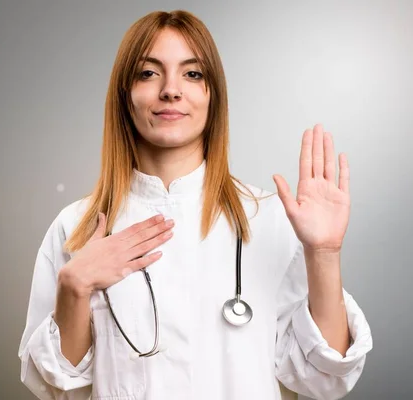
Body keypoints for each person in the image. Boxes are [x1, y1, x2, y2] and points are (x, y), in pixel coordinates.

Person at [18, 9, 373, 400]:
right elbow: (57, 388)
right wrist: (74, 287)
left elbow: (322, 380)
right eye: (148, 73)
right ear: (125, 95)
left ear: (212, 95)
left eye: (192, 74)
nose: (171, 90)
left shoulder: (271, 220)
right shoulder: (77, 227)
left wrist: (323, 253)